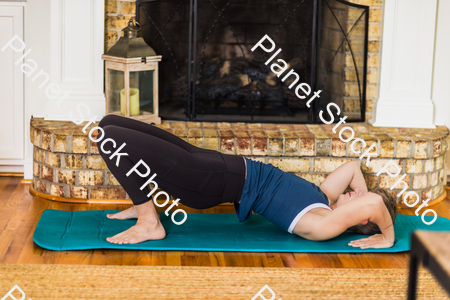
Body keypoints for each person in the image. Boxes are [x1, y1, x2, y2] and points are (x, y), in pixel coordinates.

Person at [97, 115, 397, 249]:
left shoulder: (324, 225)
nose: (356, 191)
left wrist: (387, 236)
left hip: (209, 182)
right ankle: (143, 204)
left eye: (357, 198)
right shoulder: (324, 200)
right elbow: (353, 166)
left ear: (360, 218)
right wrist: (361, 195)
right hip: (217, 166)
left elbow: (372, 203)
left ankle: (149, 222)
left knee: (109, 138)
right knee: (109, 122)